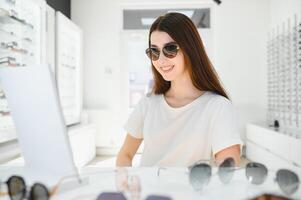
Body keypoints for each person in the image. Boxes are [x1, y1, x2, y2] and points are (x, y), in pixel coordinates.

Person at [116, 12, 243, 167]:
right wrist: (125, 184)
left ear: (190, 49)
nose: (161, 60)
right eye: (154, 51)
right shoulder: (148, 104)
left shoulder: (218, 107)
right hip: (148, 191)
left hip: (193, 191)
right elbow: (125, 154)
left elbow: (228, 172)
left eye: (170, 49)